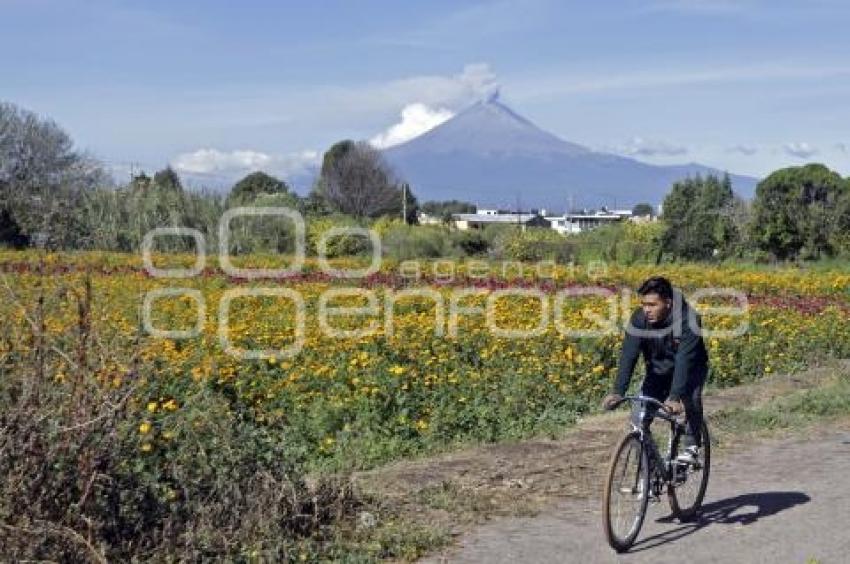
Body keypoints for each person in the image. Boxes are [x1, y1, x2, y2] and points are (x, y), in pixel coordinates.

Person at [602, 276, 709, 464]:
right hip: (658, 372)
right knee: (638, 418)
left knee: (690, 398)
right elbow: (629, 355)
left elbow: (684, 360)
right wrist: (618, 391)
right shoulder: (639, 319)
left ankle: (691, 445)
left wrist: (675, 397)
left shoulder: (688, 320)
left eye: (652, 305)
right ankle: (649, 468)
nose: (646, 310)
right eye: (644, 304)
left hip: (690, 369)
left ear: (667, 302)